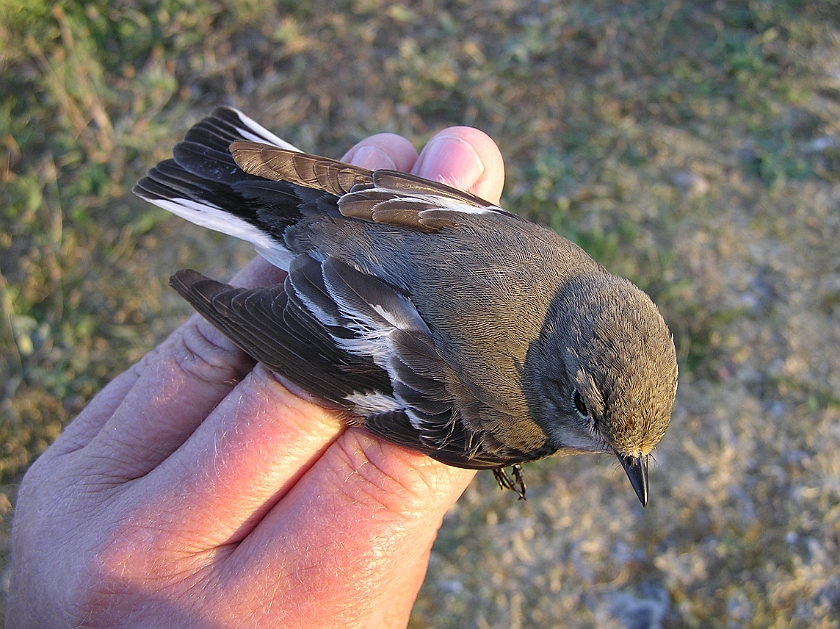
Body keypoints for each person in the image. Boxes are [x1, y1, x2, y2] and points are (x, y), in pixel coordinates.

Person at [5, 125, 507, 628]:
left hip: (373, 210)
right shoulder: (511, 414)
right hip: (337, 293)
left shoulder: (563, 268)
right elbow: (366, 368)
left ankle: (248, 181)